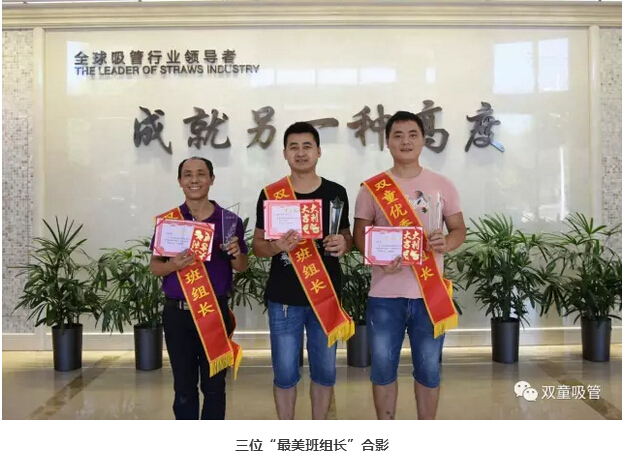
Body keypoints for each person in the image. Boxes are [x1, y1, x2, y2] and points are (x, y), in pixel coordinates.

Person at [353, 111, 466, 420]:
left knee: (429, 370)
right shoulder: (372, 188)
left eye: (412, 135)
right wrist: (377, 258)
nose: (406, 141)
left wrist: (446, 242)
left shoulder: (442, 185)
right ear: (387, 141)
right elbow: (360, 236)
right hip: (384, 296)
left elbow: (459, 230)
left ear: (423, 140)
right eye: (398, 135)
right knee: (382, 370)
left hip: (429, 295)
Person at [252, 121, 354, 420]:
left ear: (319, 151)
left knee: (324, 371)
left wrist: (344, 244)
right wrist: (276, 246)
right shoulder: (271, 194)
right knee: (285, 373)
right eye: (293, 147)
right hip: (284, 298)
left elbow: (347, 237)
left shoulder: (336, 193)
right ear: (284, 153)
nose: (300, 153)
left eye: (307, 146)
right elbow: (258, 245)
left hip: (326, 296)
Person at [149, 156, 248, 420]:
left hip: (214, 312)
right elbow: (155, 267)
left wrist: (236, 253)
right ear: (180, 181)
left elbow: (242, 266)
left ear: (212, 179)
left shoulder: (229, 220)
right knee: (183, 387)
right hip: (178, 314)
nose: (195, 180)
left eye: (201, 174)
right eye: (188, 174)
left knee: (214, 387)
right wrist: (173, 265)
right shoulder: (169, 221)